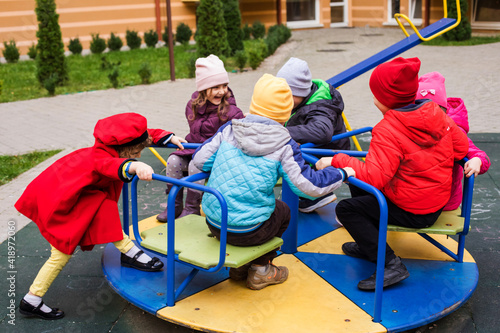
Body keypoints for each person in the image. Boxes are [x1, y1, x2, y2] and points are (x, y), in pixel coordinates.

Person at [316, 57, 469, 290]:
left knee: (346, 209)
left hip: (413, 209)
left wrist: (337, 160)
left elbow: (376, 177)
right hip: (435, 202)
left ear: (386, 100)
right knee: (358, 182)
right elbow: (460, 149)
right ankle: (370, 245)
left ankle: (391, 264)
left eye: (376, 94)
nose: (374, 99)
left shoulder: (387, 129)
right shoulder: (435, 113)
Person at [15, 112, 186, 320]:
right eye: (135, 152)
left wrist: (169, 137)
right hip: (60, 200)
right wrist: (135, 166)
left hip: (80, 195)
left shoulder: (118, 145)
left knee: (103, 208)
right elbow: (111, 166)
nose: (139, 155)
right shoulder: (100, 157)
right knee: (61, 252)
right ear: (123, 149)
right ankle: (32, 300)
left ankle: (130, 252)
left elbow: (147, 134)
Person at [192, 73, 355, 290]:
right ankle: (260, 269)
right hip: (249, 231)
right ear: (287, 113)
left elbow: (199, 161)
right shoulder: (284, 143)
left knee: (250, 210)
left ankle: (240, 267)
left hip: (215, 223)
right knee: (283, 211)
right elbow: (309, 187)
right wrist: (342, 174)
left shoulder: (230, 129)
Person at [157, 54, 244, 222]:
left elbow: (236, 138)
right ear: (204, 88)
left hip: (216, 155)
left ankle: (192, 207)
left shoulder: (231, 111)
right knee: (173, 161)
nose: (221, 91)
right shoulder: (193, 105)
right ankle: (174, 205)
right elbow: (195, 131)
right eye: (216, 86)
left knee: (194, 165)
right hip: (195, 147)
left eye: (224, 85)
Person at [276, 57, 350, 213]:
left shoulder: (319, 106)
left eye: (287, 95)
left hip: (324, 156)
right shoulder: (305, 98)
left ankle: (313, 195)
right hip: (314, 153)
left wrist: (278, 131)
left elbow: (322, 131)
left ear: (300, 92)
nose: (283, 99)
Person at [416, 71, 491, 211]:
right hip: (416, 195)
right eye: (420, 109)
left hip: (445, 202)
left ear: (444, 111)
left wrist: (477, 161)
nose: (426, 116)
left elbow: (480, 155)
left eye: (434, 110)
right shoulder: (411, 126)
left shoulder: (453, 131)